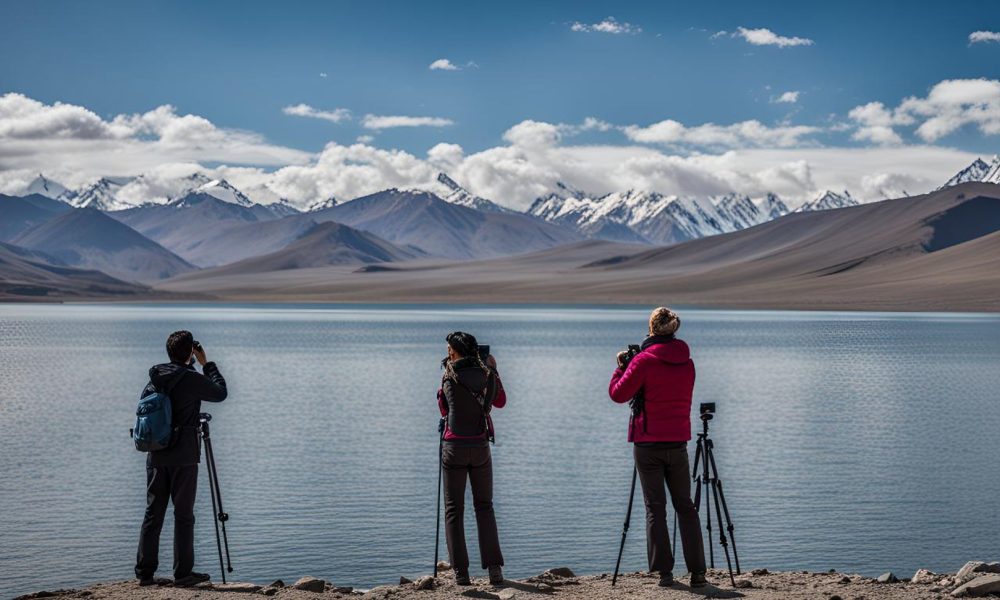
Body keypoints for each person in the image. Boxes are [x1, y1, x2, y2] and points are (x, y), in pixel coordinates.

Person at [608, 308, 708, 588]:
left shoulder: (643, 361)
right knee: (685, 507)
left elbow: (618, 394)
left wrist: (620, 367)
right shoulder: (687, 362)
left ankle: (665, 573)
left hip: (648, 444)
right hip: (677, 443)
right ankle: (698, 573)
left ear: (651, 330)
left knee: (655, 508)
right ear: (674, 329)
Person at [135, 330, 228, 587]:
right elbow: (220, 393)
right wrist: (207, 364)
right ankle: (183, 574)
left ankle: (145, 573)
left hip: (156, 453)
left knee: (154, 513)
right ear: (190, 352)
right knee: (184, 515)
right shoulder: (189, 378)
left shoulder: (156, 377)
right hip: (184, 456)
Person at [437, 331, 507, 586]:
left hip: (453, 447)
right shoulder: (487, 374)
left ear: (454, 351)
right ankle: (495, 570)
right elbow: (500, 401)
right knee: (485, 507)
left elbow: (444, 409)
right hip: (480, 447)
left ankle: (461, 573)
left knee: (454, 509)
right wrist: (494, 371)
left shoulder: (448, 374)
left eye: (448, 349)